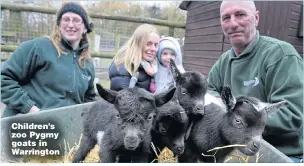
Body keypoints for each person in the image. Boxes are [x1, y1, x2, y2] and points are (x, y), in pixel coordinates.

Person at [207, 1, 303, 162]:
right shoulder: (223, 62)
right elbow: (209, 91)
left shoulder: (280, 56)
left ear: (256, 18)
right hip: (236, 149)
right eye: (226, 18)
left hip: (282, 153)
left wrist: (234, 116)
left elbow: (292, 114)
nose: (233, 23)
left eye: (240, 14)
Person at [1, 2, 96, 117]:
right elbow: (4, 79)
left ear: (85, 28)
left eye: (76, 20)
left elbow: (88, 100)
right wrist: (30, 108)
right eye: (66, 19)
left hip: (65, 128)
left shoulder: (87, 64)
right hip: (28, 124)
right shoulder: (37, 48)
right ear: (59, 25)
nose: (70, 25)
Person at [109, 24, 160, 92]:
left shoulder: (154, 67)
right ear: (138, 44)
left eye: (156, 45)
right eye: (148, 44)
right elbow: (124, 99)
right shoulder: (122, 67)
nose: (153, 49)